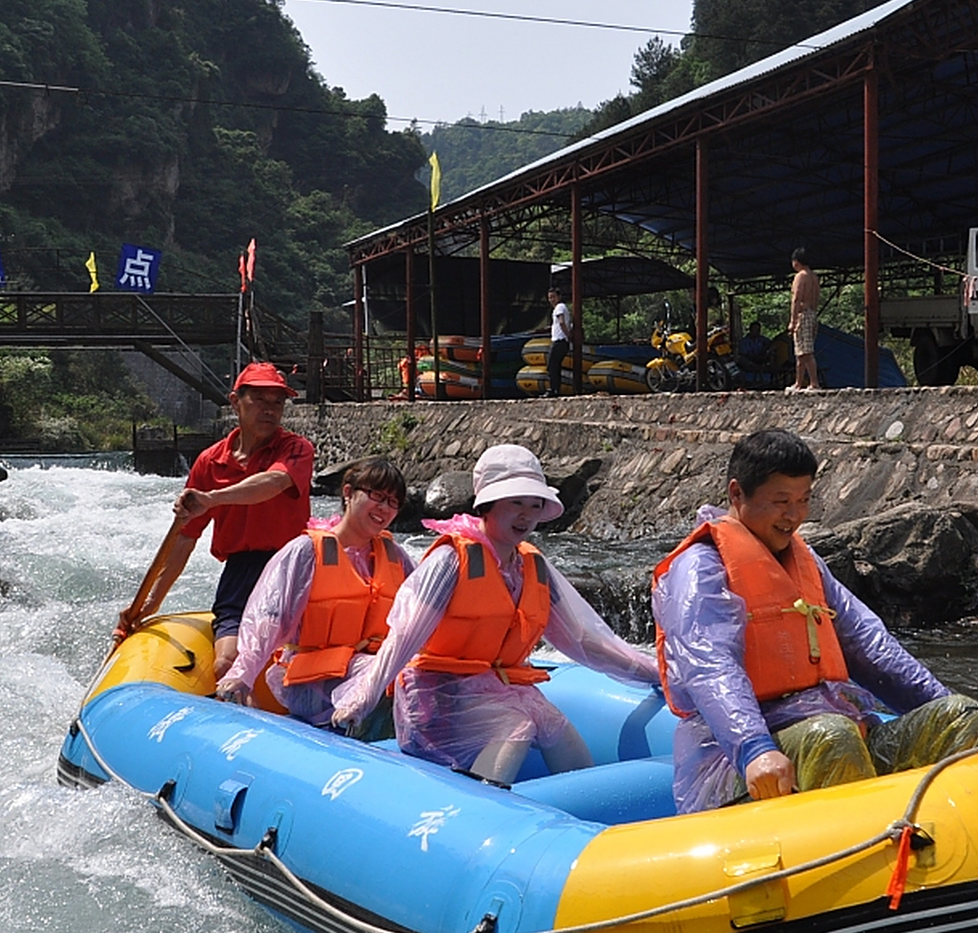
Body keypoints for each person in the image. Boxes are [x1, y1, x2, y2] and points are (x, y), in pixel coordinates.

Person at [652, 428, 978, 814]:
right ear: (737, 494)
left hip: (832, 733)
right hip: (734, 763)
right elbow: (710, 666)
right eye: (781, 501)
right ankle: (861, 856)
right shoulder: (700, 569)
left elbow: (869, 644)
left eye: (803, 500)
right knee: (830, 737)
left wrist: (937, 700)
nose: (795, 516)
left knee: (960, 715)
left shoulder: (806, 562)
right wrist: (754, 748)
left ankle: (964, 841)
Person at [331, 443, 657, 784]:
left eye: (534, 505)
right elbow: (405, 636)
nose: (526, 515)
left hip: (498, 689)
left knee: (556, 728)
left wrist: (654, 672)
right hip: (437, 697)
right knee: (516, 725)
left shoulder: (533, 565)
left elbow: (583, 641)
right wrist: (363, 697)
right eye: (515, 502)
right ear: (488, 505)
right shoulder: (451, 561)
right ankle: (479, 813)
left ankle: (593, 819)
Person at [116, 361, 314, 679]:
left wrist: (211, 499)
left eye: (277, 402)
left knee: (285, 656)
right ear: (235, 402)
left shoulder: (295, 448)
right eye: (259, 400)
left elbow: (274, 483)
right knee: (226, 663)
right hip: (241, 570)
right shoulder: (209, 462)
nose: (270, 410)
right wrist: (151, 602)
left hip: (292, 566)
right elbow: (185, 539)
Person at [214, 456, 414, 737]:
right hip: (310, 680)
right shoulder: (306, 552)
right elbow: (269, 618)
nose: (384, 508)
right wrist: (241, 674)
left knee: (408, 674)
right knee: (385, 673)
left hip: (372, 672)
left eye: (393, 502)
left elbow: (419, 620)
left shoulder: (396, 558)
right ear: (348, 492)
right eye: (377, 496)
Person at [787, 248, 821, 391]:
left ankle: (814, 383)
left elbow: (796, 299)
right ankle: (798, 383)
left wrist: (793, 321)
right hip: (812, 313)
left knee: (806, 351)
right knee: (801, 352)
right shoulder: (814, 277)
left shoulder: (801, 276)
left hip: (803, 315)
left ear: (797, 261)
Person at [546, 286, 575, 397]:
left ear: (559, 297)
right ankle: (555, 389)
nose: (551, 300)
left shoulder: (559, 307)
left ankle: (553, 389)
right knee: (555, 365)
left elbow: (561, 322)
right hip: (561, 340)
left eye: (553, 297)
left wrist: (568, 335)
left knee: (552, 365)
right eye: (549, 298)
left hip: (560, 340)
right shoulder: (561, 308)